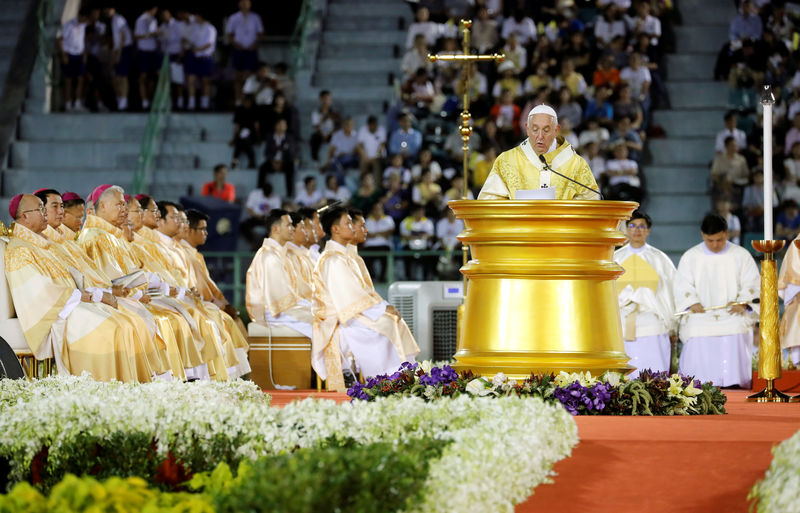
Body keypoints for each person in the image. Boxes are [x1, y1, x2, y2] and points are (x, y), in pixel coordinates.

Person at [5, 194, 148, 382]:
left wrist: (99, 294)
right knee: (111, 329)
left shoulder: (41, 245)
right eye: (41, 209)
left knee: (126, 322)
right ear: (24, 216)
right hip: (56, 313)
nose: (45, 214)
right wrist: (94, 297)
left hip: (73, 304)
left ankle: (130, 388)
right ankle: (100, 391)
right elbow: (41, 294)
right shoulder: (20, 250)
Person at [312, 206, 419, 390]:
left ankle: (401, 377)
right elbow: (348, 297)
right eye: (348, 223)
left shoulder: (346, 257)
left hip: (352, 312)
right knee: (384, 325)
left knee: (391, 320)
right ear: (335, 229)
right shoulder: (332, 260)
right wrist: (382, 309)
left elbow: (364, 293)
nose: (353, 228)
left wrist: (384, 307)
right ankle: (383, 381)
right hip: (336, 320)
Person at [674, 214, 760, 388]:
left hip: (731, 313)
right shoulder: (691, 256)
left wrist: (743, 302)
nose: (714, 245)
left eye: (719, 240)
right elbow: (682, 286)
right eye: (709, 240)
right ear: (702, 235)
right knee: (695, 328)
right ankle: (696, 383)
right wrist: (691, 301)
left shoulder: (740, 255)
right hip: (702, 313)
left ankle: (734, 383)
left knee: (737, 326)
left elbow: (752, 284)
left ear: (727, 234)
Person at [478, 104, 600, 200]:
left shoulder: (575, 163)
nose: (540, 136)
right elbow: (489, 200)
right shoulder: (506, 161)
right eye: (535, 130)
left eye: (546, 130)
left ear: (556, 130)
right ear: (527, 129)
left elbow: (591, 199)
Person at [614, 211, 676, 378]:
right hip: (622, 317)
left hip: (651, 317)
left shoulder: (659, 259)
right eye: (632, 226)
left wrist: (673, 322)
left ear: (648, 231)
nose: (637, 230)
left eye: (642, 226)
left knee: (652, 366)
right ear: (626, 229)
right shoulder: (616, 258)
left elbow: (669, 291)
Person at [245, 209, 312, 338]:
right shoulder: (269, 256)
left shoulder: (280, 253)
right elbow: (281, 299)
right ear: (276, 229)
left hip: (287, 309)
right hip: (276, 312)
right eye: (289, 225)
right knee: (324, 326)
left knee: (328, 319)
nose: (293, 229)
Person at [225, 0, 264, 106]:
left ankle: (251, 99)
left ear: (250, 4)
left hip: (251, 50)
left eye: (247, 3)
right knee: (238, 76)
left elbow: (260, 33)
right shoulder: (233, 18)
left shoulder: (255, 17)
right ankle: (238, 100)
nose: (245, 5)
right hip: (239, 50)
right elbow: (229, 34)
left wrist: (255, 45)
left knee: (251, 76)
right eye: (243, 3)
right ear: (239, 5)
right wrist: (236, 45)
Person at [58, 10, 89, 112]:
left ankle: (77, 103)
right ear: (80, 16)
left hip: (79, 55)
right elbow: (60, 40)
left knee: (80, 80)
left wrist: (84, 52)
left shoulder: (83, 25)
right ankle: (68, 104)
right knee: (68, 81)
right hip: (69, 55)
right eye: (83, 19)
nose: (84, 21)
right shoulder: (69, 25)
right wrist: (63, 55)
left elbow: (81, 39)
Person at [186, 12, 216, 111]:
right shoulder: (195, 28)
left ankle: (205, 104)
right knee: (191, 80)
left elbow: (209, 44)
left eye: (197, 16)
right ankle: (191, 103)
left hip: (205, 57)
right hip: (194, 57)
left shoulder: (210, 28)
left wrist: (198, 49)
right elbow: (191, 40)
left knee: (205, 81)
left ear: (201, 17)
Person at [104, 7, 133, 111]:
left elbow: (122, 37)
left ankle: (124, 100)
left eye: (108, 9)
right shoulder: (113, 21)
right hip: (118, 49)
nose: (106, 11)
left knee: (122, 76)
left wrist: (119, 53)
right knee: (115, 77)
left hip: (123, 49)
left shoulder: (119, 19)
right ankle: (119, 98)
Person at [134, 6, 160, 110]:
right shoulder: (141, 20)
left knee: (154, 77)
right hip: (144, 51)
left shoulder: (154, 19)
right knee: (143, 77)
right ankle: (144, 101)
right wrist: (150, 34)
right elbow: (136, 36)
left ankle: (154, 100)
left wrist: (156, 34)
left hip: (153, 51)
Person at [363, 201, 394, 282]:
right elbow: (367, 234)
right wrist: (381, 233)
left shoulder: (388, 219)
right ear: (373, 211)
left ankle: (382, 278)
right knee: (365, 256)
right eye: (376, 209)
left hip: (384, 245)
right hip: (370, 245)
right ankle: (371, 276)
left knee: (385, 257)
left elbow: (389, 232)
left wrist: (375, 233)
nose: (377, 211)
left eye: (379, 209)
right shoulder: (368, 220)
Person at [231, 94, 260, 168]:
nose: (246, 103)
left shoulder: (254, 110)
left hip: (252, 134)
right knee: (242, 140)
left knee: (244, 140)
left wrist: (258, 138)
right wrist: (234, 138)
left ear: (251, 102)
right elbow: (236, 126)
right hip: (241, 134)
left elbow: (256, 126)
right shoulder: (239, 110)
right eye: (245, 101)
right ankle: (251, 160)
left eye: (248, 101)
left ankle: (235, 159)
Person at [357, 115, 387, 179]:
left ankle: (376, 187)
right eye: (373, 125)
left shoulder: (381, 130)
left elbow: (382, 146)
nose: (375, 127)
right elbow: (360, 146)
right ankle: (363, 185)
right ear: (369, 125)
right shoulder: (363, 130)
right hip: (366, 157)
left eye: (376, 124)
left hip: (378, 157)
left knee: (377, 165)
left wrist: (375, 157)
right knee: (363, 163)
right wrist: (365, 158)